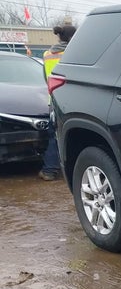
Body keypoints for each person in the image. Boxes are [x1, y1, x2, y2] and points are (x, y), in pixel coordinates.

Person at [38, 24, 76, 181]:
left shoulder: (48, 53)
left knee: (55, 135)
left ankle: (49, 171)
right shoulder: (75, 52)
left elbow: (46, 78)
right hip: (74, 98)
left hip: (54, 100)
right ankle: (56, 170)